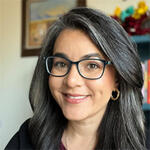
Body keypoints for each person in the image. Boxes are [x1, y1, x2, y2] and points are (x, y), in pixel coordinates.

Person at [5, 7, 146, 150]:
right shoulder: (25, 139)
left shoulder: (143, 144)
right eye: (61, 64)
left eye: (92, 65)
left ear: (118, 79)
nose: (71, 80)